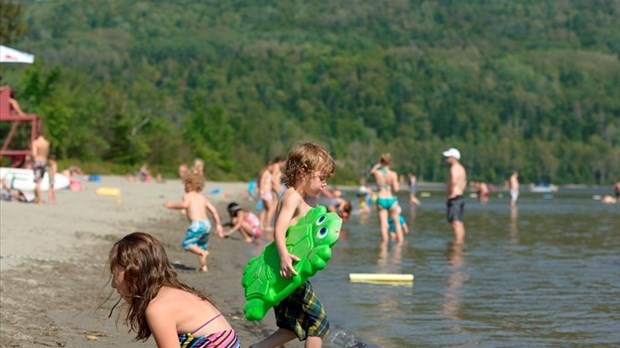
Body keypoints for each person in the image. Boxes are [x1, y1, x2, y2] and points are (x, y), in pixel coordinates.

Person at [250, 142, 335, 348]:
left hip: (294, 272)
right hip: (286, 270)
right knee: (318, 324)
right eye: (321, 178)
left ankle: (258, 347)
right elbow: (279, 230)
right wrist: (284, 256)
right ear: (303, 172)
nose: (324, 184)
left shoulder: (308, 198)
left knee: (292, 325)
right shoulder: (292, 197)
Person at [107, 232, 241, 347]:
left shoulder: (158, 308)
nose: (113, 284)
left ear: (134, 273)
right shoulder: (177, 292)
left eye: (115, 275)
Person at [164, 172, 224, 272]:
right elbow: (213, 210)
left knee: (187, 244)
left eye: (185, 184)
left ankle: (203, 254)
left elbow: (185, 205)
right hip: (207, 224)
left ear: (189, 184)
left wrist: (171, 205)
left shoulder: (188, 195)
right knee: (201, 245)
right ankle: (203, 267)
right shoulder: (202, 197)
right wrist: (218, 225)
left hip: (197, 224)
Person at [370, 153, 404, 243]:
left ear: (381, 162)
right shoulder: (393, 174)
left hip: (381, 198)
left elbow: (372, 171)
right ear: (390, 162)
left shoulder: (377, 173)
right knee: (397, 223)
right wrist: (400, 183)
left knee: (383, 225)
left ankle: (384, 247)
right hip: (391, 199)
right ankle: (400, 244)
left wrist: (378, 165)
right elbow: (396, 189)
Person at [443, 148, 467, 244]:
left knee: (455, 222)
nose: (447, 158)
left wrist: (449, 194)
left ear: (454, 157)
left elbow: (453, 181)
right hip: (460, 196)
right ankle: (460, 241)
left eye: (448, 157)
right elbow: (464, 182)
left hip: (454, 197)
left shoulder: (453, 168)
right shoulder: (462, 168)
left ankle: (457, 242)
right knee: (459, 222)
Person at [31, 130, 50, 204]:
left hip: (37, 161)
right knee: (40, 181)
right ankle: (37, 198)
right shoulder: (46, 143)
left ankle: (39, 199)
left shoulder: (35, 143)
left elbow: (34, 154)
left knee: (37, 182)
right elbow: (47, 153)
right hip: (44, 161)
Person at [257, 160, 275, 232]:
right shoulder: (266, 173)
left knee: (265, 209)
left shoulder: (266, 172)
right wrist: (262, 191)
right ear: (269, 166)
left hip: (265, 192)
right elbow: (262, 182)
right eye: (272, 166)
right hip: (266, 192)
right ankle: (266, 225)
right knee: (271, 209)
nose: (273, 168)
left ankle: (261, 225)